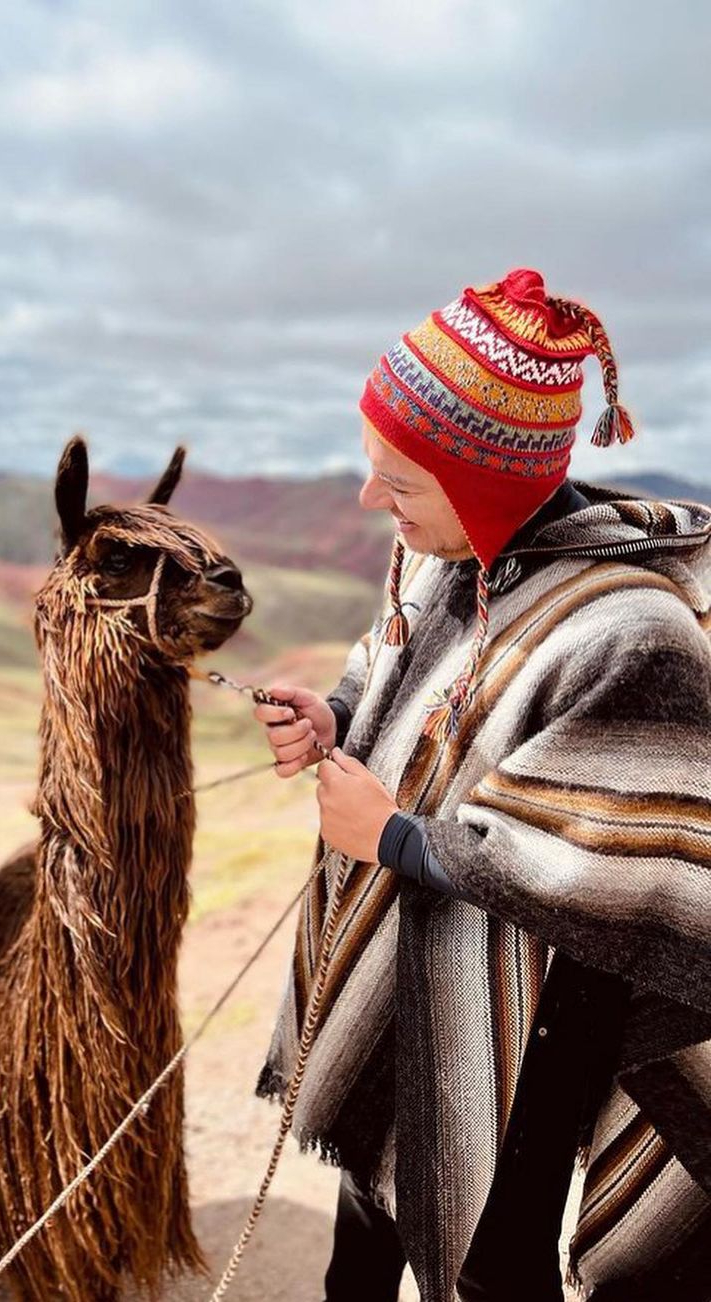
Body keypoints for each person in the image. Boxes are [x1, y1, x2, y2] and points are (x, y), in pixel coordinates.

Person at [254, 269, 711, 1302]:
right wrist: (337, 716)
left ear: (486, 486)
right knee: (361, 1240)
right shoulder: (454, 562)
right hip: (405, 962)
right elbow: (404, 680)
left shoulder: (632, 632)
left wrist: (397, 841)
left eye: (400, 485)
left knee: (496, 1269)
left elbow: (616, 871)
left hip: (545, 1013)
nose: (374, 502)